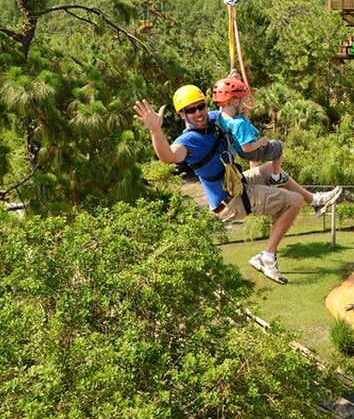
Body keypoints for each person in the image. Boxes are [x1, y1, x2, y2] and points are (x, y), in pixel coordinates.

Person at [133, 85, 342, 285]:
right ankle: (267, 257)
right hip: (231, 201)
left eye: (201, 106)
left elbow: (229, 109)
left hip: (238, 184)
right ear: (182, 115)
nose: (198, 113)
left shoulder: (214, 120)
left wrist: (233, 89)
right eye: (191, 110)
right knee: (293, 202)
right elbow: (169, 156)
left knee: (271, 170)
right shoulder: (188, 141)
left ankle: (314, 200)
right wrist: (155, 131)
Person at [212, 72, 287, 186]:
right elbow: (247, 148)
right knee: (279, 146)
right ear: (234, 101)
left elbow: (226, 103)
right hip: (252, 151)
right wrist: (262, 142)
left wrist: (230, 82)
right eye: (242, 101)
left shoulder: (220, 116)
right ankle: (276, 177)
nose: (244, 104)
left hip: (240, 152)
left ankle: (259, 178)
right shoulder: (239, 124)